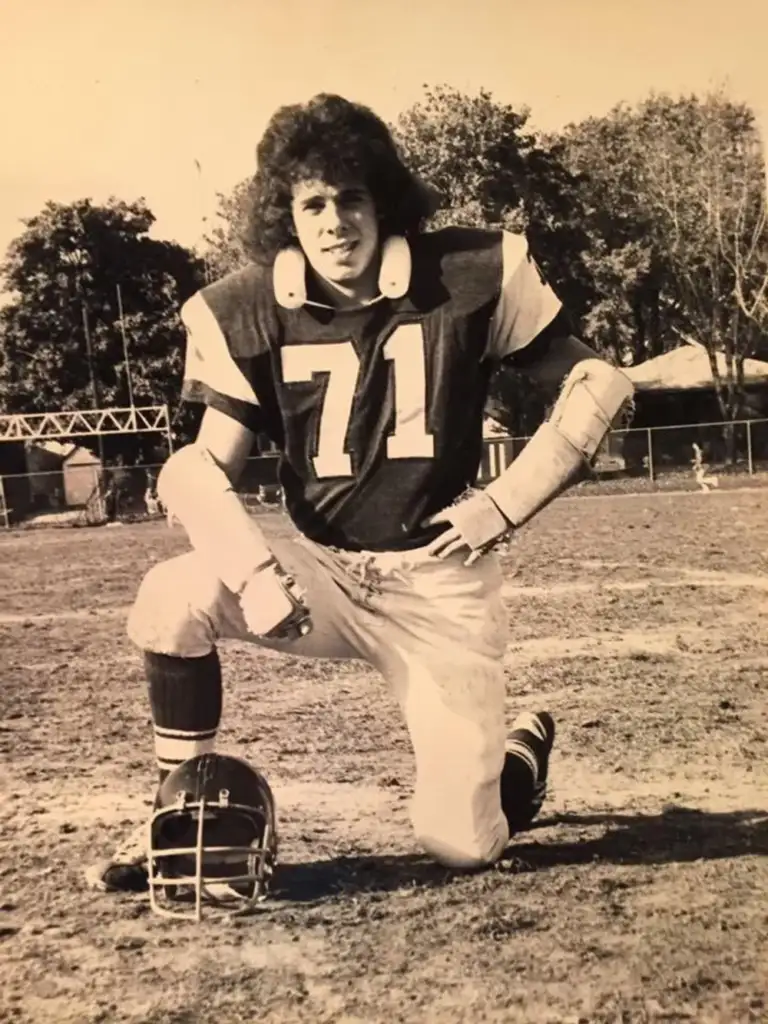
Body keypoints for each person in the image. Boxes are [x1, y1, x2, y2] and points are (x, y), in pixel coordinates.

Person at [86, 93, 633, 901]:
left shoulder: (468, 277)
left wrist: (504, 502)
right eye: (313, 203)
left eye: (351, 198)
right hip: (327, 577)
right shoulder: (249, 308)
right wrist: (253, 572)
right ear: (287, 216)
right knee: (172, 597)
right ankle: (173, 805)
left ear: (384, 202)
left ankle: (517, 756)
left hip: (440, 586)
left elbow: (599, 384)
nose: (335, 222)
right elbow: (197, 469)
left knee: (461, 845)